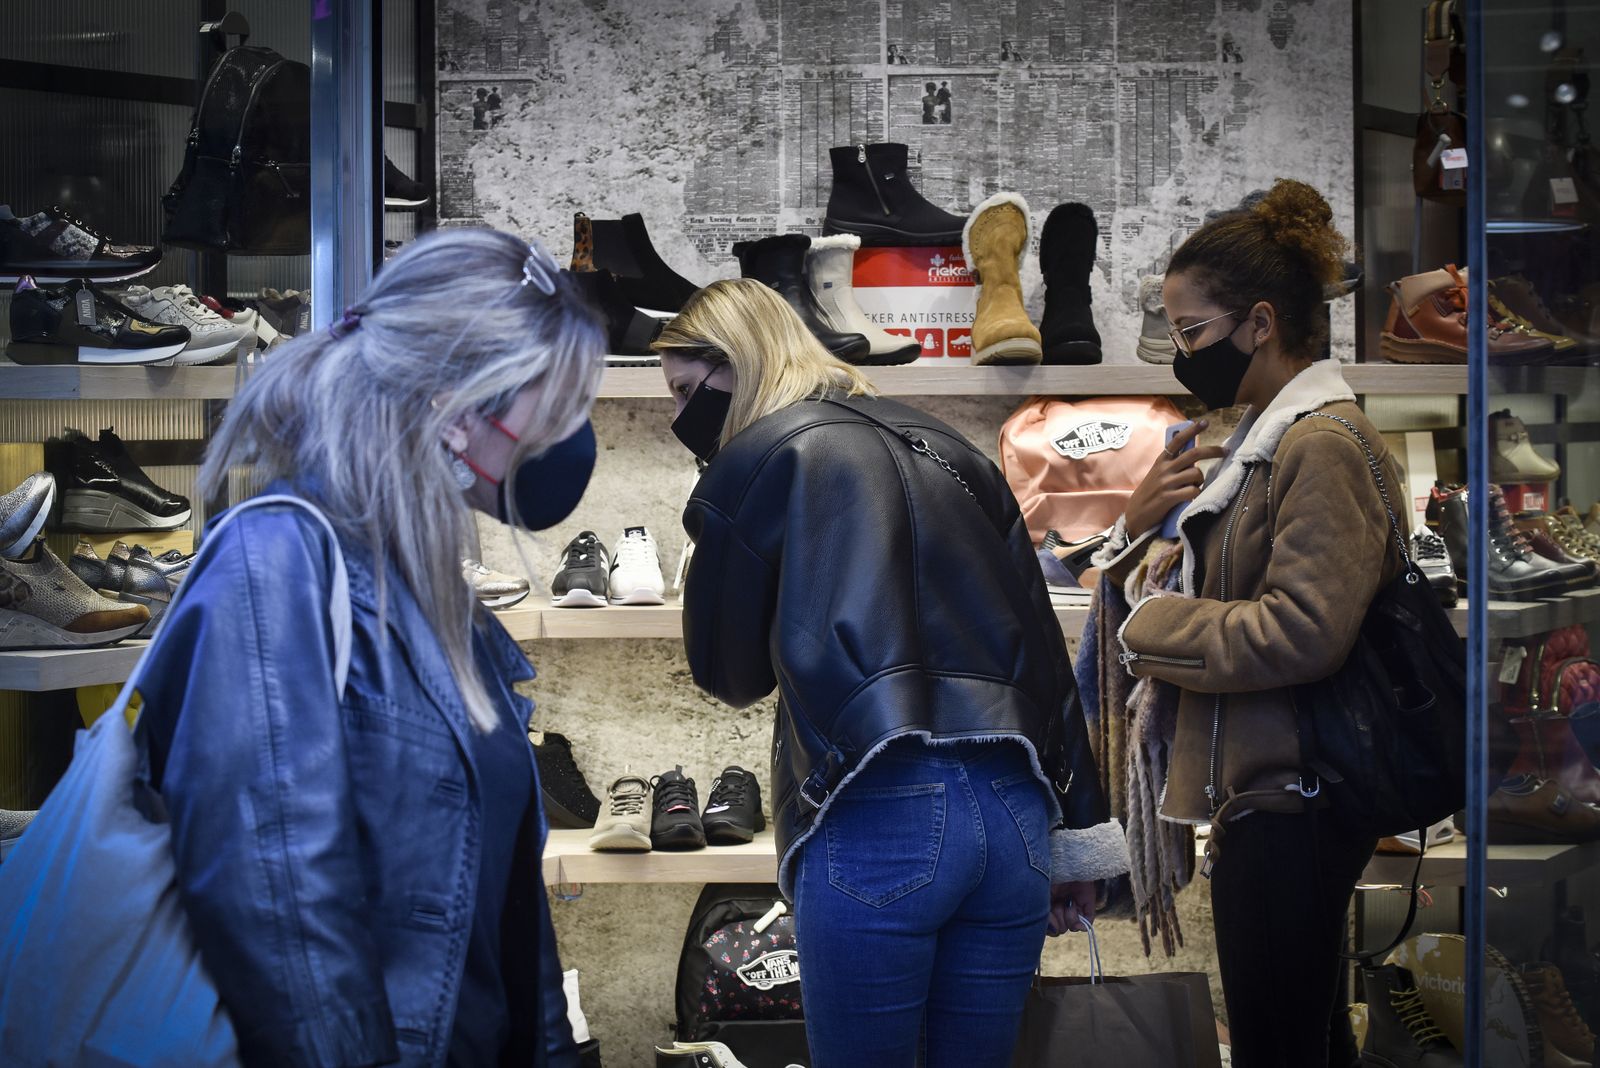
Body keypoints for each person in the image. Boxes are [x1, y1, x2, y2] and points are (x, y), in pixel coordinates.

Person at [134, 229, 606, 1067]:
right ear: (458, 408)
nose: (574, 433)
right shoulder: (272, 567)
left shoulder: (423, 583)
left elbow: (498, 905)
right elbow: (278, 914)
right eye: (559, 402)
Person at [655, 279, 1129, 1068]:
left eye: (684, 390)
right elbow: (1044, 656)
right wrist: (1077, 836)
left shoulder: (759, 457)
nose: (678, 416)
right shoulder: (956, 453)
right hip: (1016, 817)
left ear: (736, 363)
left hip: (881, 811)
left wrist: (720, 522)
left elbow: (727, 673)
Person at [1097, 179, 1394, 1068]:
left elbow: (1303, 628)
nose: (1181, 354)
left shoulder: (1321, 444)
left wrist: (1152, 624)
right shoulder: (1268, 441)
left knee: (1280, 1045)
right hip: (1267, 792)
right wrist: (1141, 527)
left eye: (1191, 333)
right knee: (1302, 1038)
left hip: (1292, 795)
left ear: (1260, 322)